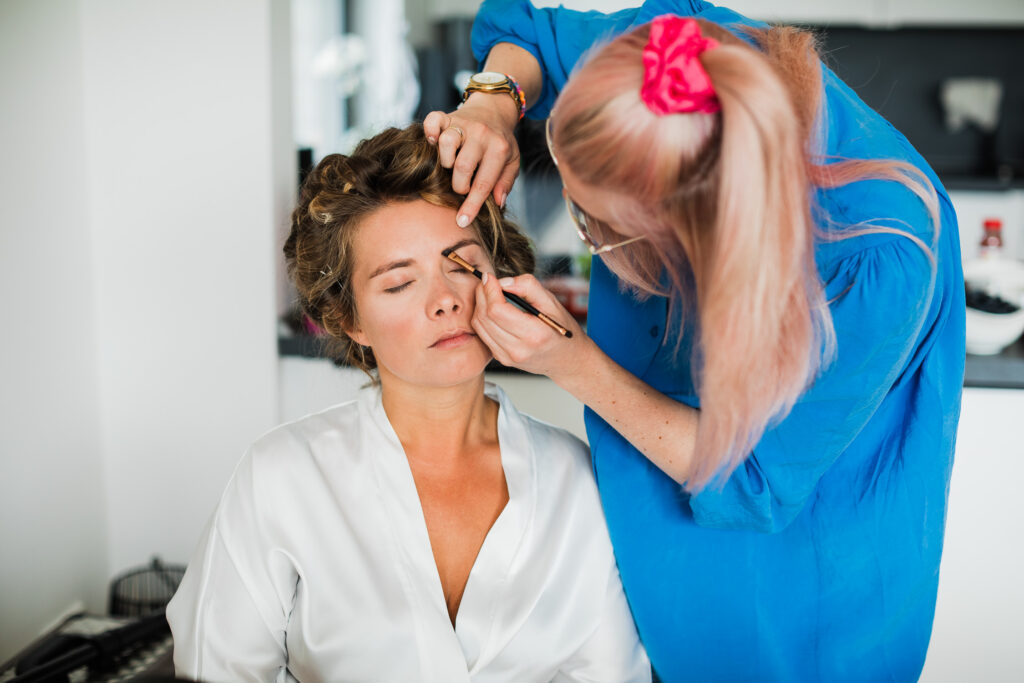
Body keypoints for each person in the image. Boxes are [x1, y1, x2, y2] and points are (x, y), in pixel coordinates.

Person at [423, 1, 967, 681]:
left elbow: (755, 480)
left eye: (600, 232)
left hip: (810, 596)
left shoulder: (878, 261)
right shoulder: (665, 59)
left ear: (696, 237)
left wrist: (572, 364)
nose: (587, 241)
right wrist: (495, 104)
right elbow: (526, 32)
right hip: (664, 565)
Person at [165, 124, 650, 682]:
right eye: (399, 284)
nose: (445, 300)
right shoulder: (279, 478)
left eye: (463, 266)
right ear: (349, 320)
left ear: (499, 275)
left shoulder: (581, 482)